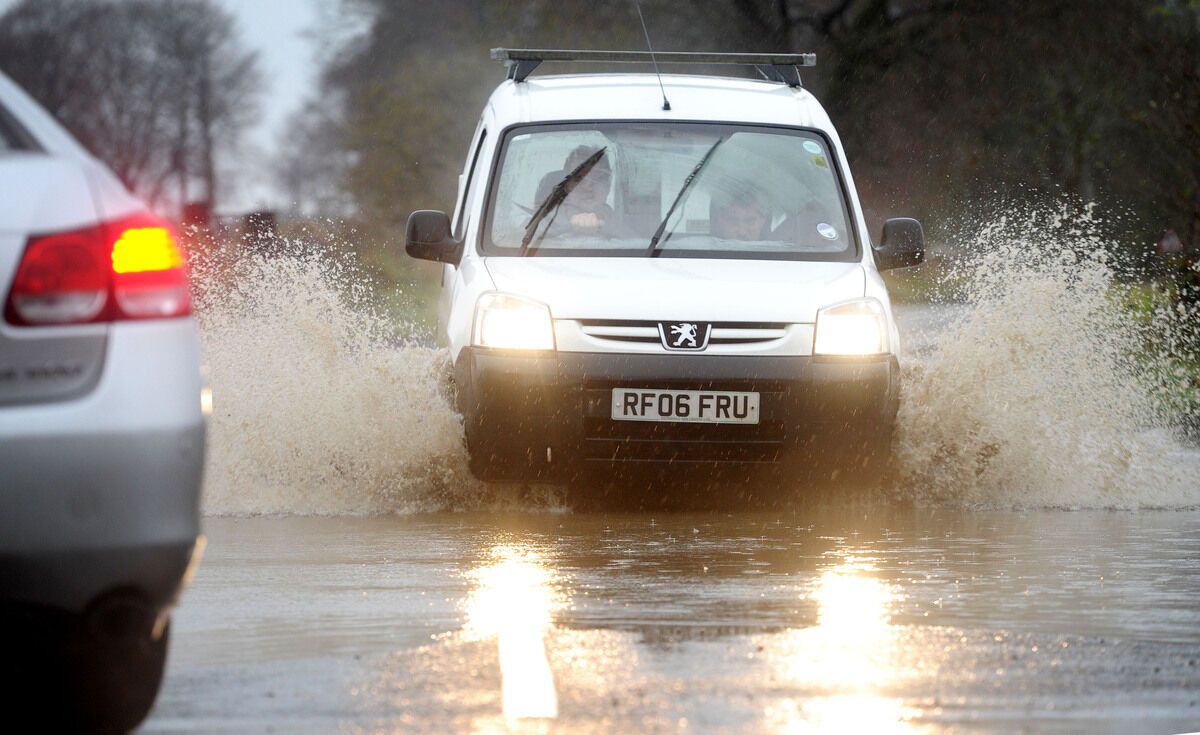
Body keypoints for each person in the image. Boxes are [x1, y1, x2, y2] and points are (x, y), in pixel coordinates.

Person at [533, 145, 614, 235]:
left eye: (599, 178)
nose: (587, 187)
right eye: (578, 179)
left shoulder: (626, 228)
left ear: (608, 186)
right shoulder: (534, 230)